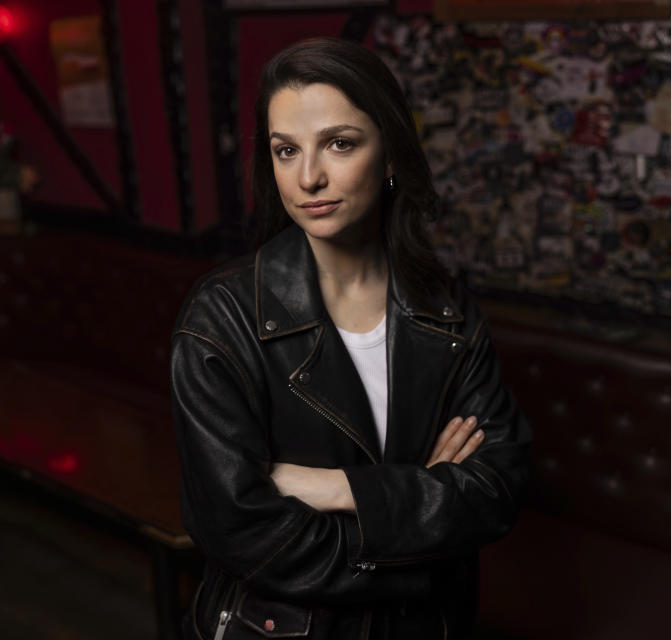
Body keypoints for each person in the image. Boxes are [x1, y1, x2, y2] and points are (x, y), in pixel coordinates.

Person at [170, 37, 531, 640]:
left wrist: (334, 488)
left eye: (339, 144)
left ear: (389, 155)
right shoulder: (221, 318)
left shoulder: (445, 309)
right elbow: (244, 534)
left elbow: (498, 486)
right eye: (286, 151)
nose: (309, 177)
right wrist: (425, 506)